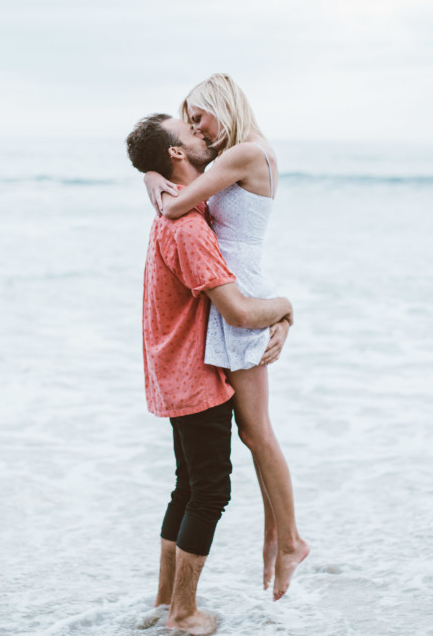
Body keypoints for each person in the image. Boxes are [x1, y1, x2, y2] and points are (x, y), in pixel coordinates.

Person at [143, 74, 310, 601]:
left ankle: (292, 542)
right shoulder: (239, 155)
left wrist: (153, 177)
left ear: (223, 105)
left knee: (257, 431)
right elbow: (178, 179)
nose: (197, 128)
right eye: (189, 122)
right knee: (251, 433)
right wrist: (152, 169)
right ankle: (276, 538)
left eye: (200, 117)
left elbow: (174, 203)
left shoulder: (242, 153)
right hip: (230, 291)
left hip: (237, 293)